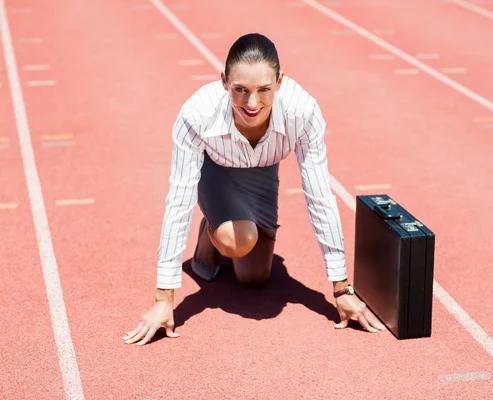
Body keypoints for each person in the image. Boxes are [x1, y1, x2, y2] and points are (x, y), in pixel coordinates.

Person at [123, 33, 386, 346]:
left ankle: (219, 225)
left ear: (279, 82)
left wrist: (341, 289)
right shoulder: (197, 115)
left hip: (262, 170)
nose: (252, 103)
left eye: (264, 89)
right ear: (224, 82)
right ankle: (215, 226)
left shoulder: (303, 113)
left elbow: (319, 197)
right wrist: (164, 298)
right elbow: (179, 201)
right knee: (237, 242)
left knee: (254, 278)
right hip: (215, 170)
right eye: (240, 90)